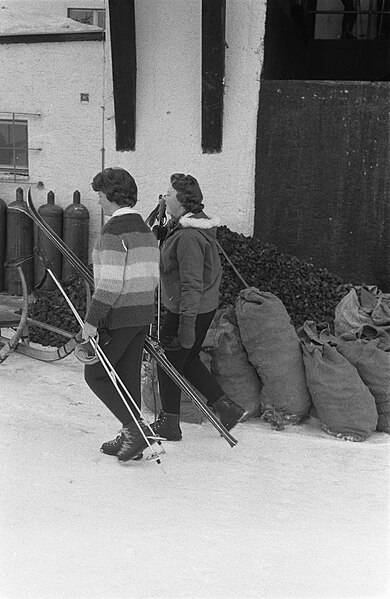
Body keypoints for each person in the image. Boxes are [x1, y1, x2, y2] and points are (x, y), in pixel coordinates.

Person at [151, 173, 246, 442]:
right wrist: (164, 233)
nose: (164, 198)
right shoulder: (188, 227)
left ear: (180, 200)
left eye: (168, 194)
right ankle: (227, 408)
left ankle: (169, 424)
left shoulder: (189, 238)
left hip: (187, 309)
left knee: (168, 362)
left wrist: (186, 326)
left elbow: (191, 283)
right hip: (200, 306)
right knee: (187, 359)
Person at [81, 167, 160, 462]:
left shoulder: (113, 232)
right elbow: (153, 276)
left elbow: (110, 284)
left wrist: (91, 320)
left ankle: (135, 431)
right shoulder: (145, 230)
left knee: (96, 374)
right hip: (141, 315)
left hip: (119, 317)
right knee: (126, 379)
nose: (99, 201)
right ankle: (132, 439)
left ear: (111, 197)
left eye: (100, 196)